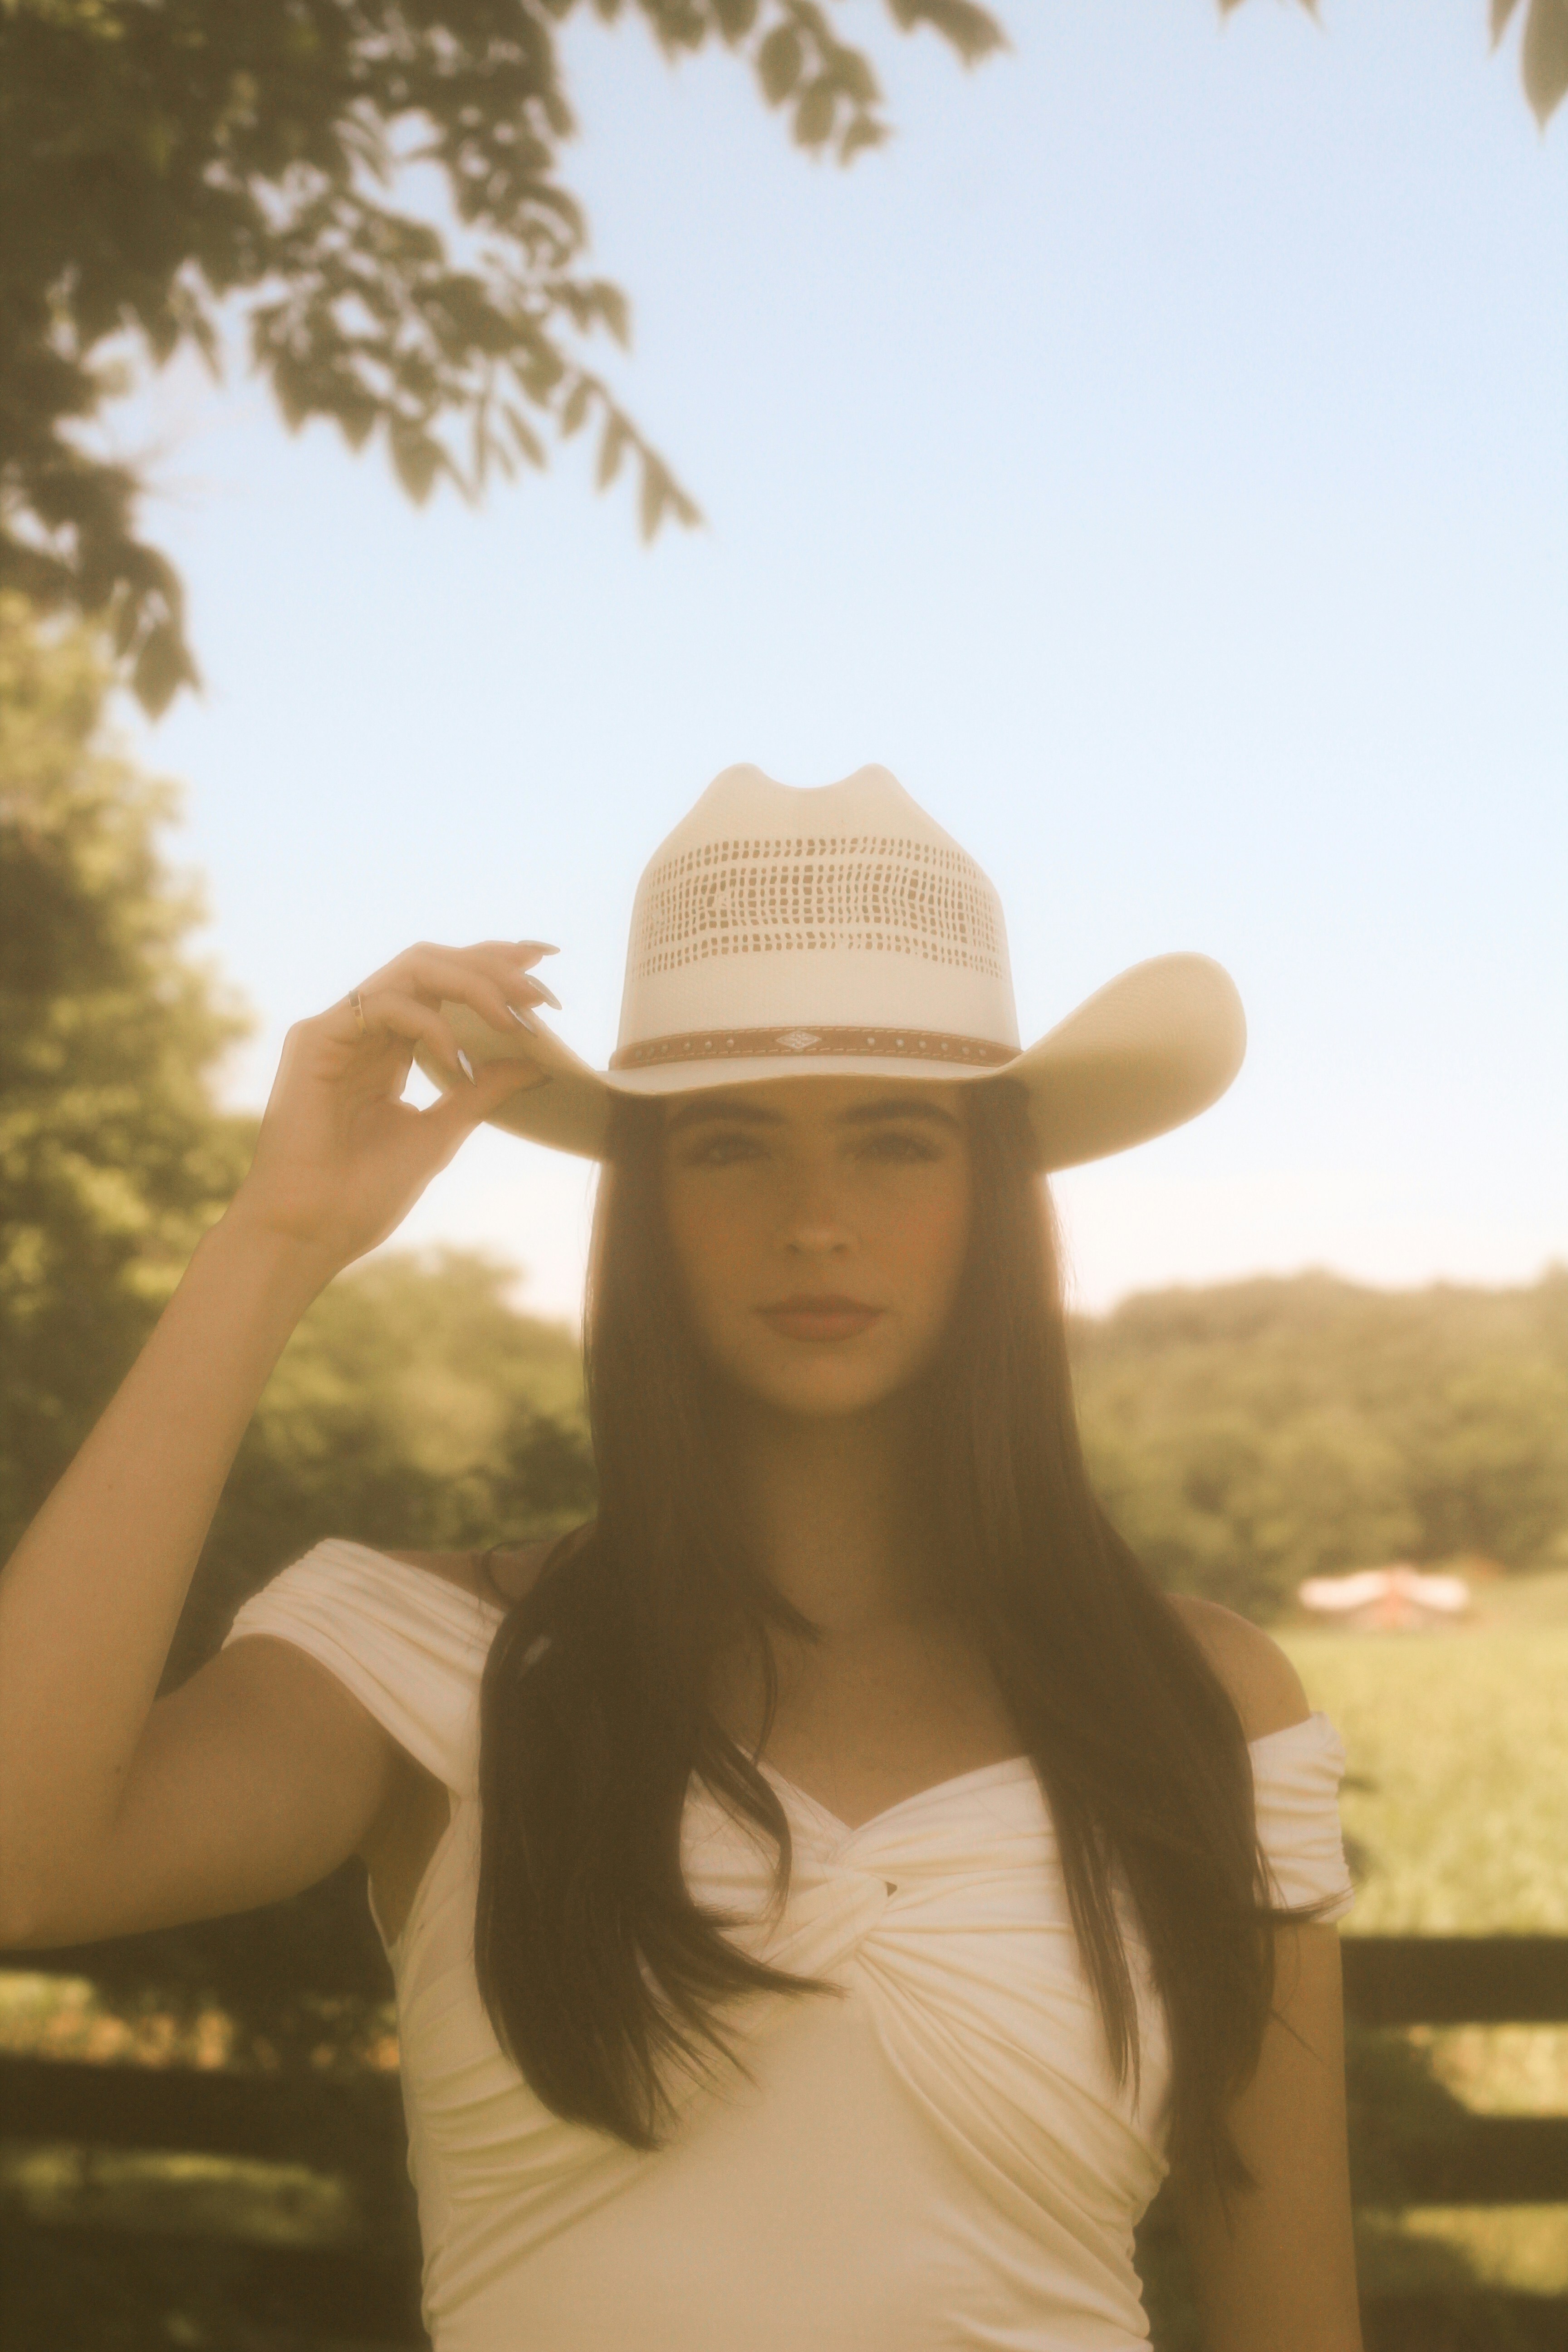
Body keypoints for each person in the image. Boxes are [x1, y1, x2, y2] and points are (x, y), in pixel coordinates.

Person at [0, 765, 1362, 2351]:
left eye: (896, 1142)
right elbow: (25, 1862)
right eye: (726, 1147)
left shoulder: (1201, 1702)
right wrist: (276, 1239)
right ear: (641, 1201)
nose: (814, 1219)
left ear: (995, 1189)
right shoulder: (425, 1662)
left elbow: (1297, 2329)